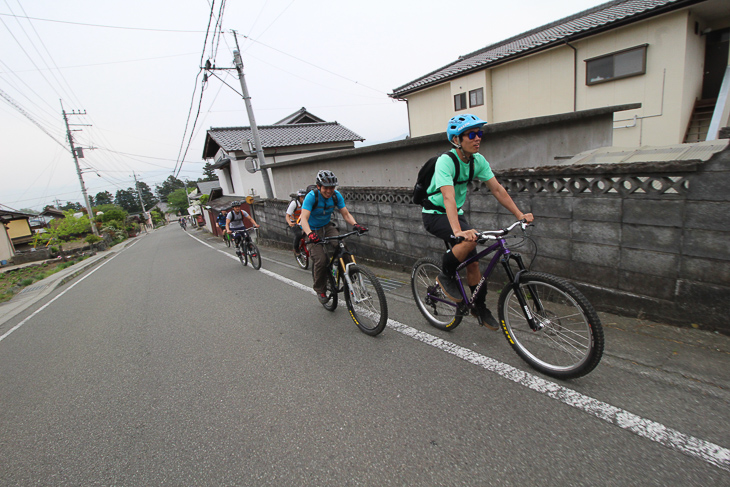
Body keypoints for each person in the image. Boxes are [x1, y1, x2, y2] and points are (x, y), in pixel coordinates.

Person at [423, 114, 534, 330]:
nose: (478, 138)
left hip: (456, 212)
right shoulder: (446, 161)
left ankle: (478, 307)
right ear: (457, 140)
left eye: (480, 133)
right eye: (471, 134)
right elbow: (448, 197)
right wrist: (457, 231)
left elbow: (497, 189)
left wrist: (519, 215)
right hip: (434, 213)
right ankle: (445, 276)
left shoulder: (478, 161)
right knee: (467, 240)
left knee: (473, 262)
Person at [300, 170, 367, 304]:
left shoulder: (336, 196)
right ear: (319, 186)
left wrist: (356, 225)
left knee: (342, 246)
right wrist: (310, 234)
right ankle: (320, 289)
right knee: (321, 259)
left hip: (327, 227)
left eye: (332, 187)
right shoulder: (311, 197)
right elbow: (303, 219)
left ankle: (349, 275)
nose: (329, 191)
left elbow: (346, 214)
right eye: (326, 187)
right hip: (311, 229)